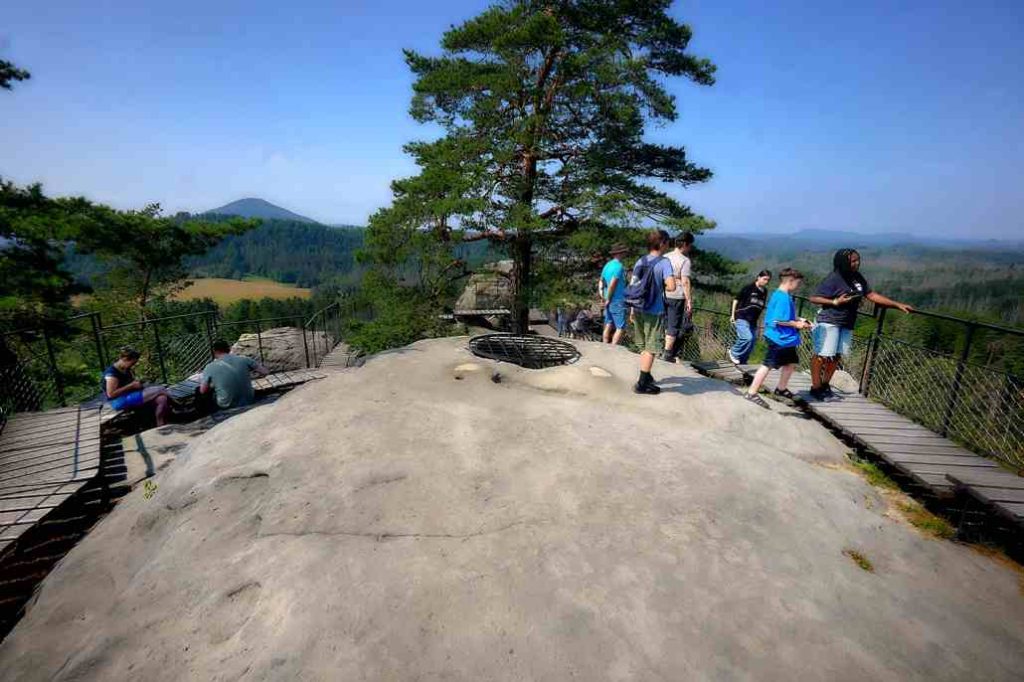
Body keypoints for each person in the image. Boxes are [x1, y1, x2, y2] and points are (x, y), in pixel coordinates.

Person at [807, 249, 913, 400]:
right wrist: (835, 301)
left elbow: (870, 294)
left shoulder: (857, 277)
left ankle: (825, 384)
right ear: (843, 262)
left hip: (847, 322)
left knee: (836, 357)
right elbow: (814, 298)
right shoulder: (834, 278)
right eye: (853, 261)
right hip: (829, 321)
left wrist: (896, 304)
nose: (856, 263)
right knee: (822, 355)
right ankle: (815, 387)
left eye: (858, 260)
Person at [744, 268, 812, 409]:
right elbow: (778, 320)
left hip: (786, 338)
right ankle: (751, 392)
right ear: (791, 281)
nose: (798, 286)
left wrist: (800, 319)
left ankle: (781, 389)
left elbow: (786, 316)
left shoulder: (781, 295)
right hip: (779, 338)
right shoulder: (783, 298)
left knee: (791, 362)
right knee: (768, 364)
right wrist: (797, 324)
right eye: (798, 283)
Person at [628, 229, 676, 394]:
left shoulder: (640, 261)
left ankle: (646, 375)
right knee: (652, 346)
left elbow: (634, 285)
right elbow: (671, 286)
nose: (669, 244)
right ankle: (642, 383)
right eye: (667, 241)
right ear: (661, 243)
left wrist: (632, 310)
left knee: (644, 345)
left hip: (638, 307)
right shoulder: (664, 262)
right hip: (654, 310)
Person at [102, 346, 171, 426]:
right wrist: (131, 386)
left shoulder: (125, 369)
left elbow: (130, 384)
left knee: (162, 398)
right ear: (125, 359)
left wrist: (138, 384)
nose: (133, 365)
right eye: (132, 363)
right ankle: (179, 406)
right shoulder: (112, 374)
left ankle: (161, 424)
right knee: (161, 389)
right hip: (118, 401)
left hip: (131, 395)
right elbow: (111, 394)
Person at [198, 340, 270, 411]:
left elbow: (203, 391)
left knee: (202, 393)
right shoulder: (244, 359)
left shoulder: (209, 367)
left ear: (214, 351)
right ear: (229, 349)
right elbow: (265, 372)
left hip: (226, 404)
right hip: (248, 399)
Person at [662, 232, 694, 362]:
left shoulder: (665, 257)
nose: (690, 248)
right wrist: (689, 300)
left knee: (665, 323)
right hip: (676, 295)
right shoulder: (684, 260)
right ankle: (668, 354)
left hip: (663, 293)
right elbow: (685, 281)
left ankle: (662, 349)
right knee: (673, 325)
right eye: (690, 245)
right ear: (685, 244)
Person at [729, 270, 772, 365]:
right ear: (759, 277)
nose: (766, 282)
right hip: (742, 317)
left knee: (752, 342)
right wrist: (732, 315)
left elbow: (760, 306)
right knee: (747, 338)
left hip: (753, 320)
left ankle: (743, 362)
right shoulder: (749, 288)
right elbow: (736, 300)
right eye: (764, 279)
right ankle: (734, 352)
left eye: (768, 280)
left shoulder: (764, 291)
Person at [598, 243, 630, 345]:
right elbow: (612, 284)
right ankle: (613, 349)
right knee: (620, 327)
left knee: (608, 323)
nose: (625, 253)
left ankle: (605, 344)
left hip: (608, 299)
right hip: (617, 300)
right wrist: (608, 298)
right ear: (620, 253)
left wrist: (602, 296)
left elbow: (601, 281)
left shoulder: (607, 265)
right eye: (624, 252)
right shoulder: (619, 267)